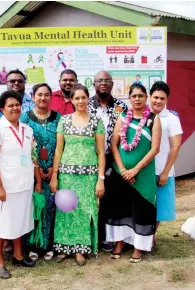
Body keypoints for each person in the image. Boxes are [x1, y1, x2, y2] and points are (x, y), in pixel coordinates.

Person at [101, 83, 161, 263]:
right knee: (121, 209)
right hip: (121, 174)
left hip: (143, 175)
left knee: (141, 210)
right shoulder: (122, 117)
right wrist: (122, 169)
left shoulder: (153, 119)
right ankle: (119, 243)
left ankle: (138, 247)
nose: (137, 99)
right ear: (130, 98)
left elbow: (155, 149)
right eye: (134, 96)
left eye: (141, 96)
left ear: (146, 97)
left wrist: (135, 169)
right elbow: (114, 145)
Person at [0, 91, 41, 279]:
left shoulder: (27, 129)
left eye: (17, 104)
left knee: (21, 221)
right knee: (0, 224)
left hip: (24, 185)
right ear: (2, 109)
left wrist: (37, 181)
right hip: (5, 188)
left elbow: (32, 157)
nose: (15, 108)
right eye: (10, 105)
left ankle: (18, 255)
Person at [50, 84, 106, 266]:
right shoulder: (64, 121)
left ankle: (81, 249)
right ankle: (65, 247)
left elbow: (100, 153)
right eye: (77, 98)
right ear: (72, 100)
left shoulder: (96, 122)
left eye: (83, 97)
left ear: (88, 99)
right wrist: (54, 175)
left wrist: (100, 179)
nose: (80, 101)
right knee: (65, 210)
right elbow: (58, 151)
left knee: (84, 211)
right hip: (66, 175)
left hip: (89, 176)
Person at [88, 70, 128, 252]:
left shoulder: (121, 106)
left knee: (110, 199)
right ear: (94, 84)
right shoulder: (85, 105)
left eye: (106, 80)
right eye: (99, 80)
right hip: (89, 160)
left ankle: (107, 238)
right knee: (89, 200)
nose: (103, 83)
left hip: (113, 160)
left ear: (112, 84)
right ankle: (89, 237)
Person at [21, 83, 61, 261]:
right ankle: (33, 245)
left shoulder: (59, 119)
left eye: (46, 95)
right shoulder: (25, 119)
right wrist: (36, 169)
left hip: (55, 171)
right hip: (31, 171)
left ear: (51, 97)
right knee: (34, 208)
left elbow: (62, 146)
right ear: (33, 96)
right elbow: (22, 147)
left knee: (51, 208)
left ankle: (49, 245)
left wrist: (54, 169)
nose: (43, 98)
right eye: (39, 94)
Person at [150, 81, 183, 241]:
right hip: (144, 170)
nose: (158, 101)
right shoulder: (142, 115)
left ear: (167, 99)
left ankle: (151, 236)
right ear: (150, 97)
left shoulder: (171, 119)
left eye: (162, 98)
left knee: (159, 208)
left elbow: (175, 147)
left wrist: (165, 172)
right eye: (155, 97)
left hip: (161, 171)